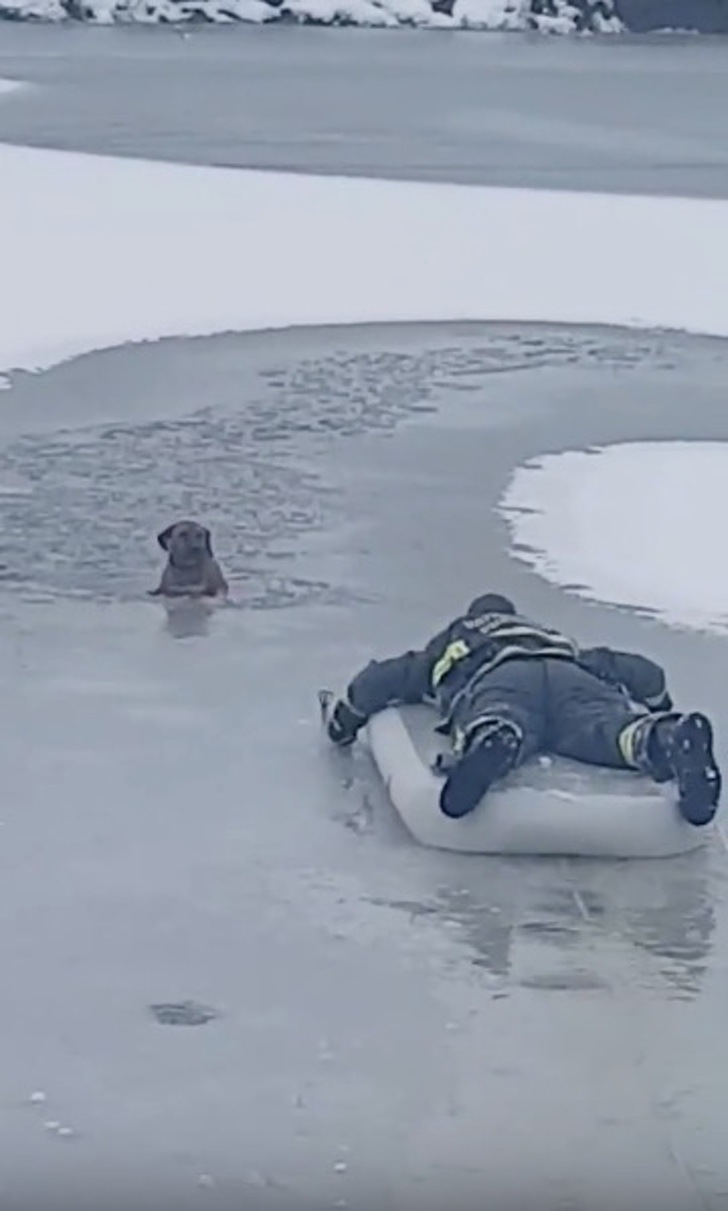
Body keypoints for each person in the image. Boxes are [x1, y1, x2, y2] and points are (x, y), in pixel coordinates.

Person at [324, 593, 721, 826]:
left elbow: (383, 681)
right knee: (608, 728)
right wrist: (663, 707)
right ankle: (663, 738)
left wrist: (344, 722)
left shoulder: (457, 641)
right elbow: (643, 672)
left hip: (499, 677)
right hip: (572, 677)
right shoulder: (553, 638)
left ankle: (496, 739)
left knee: (502, 713)